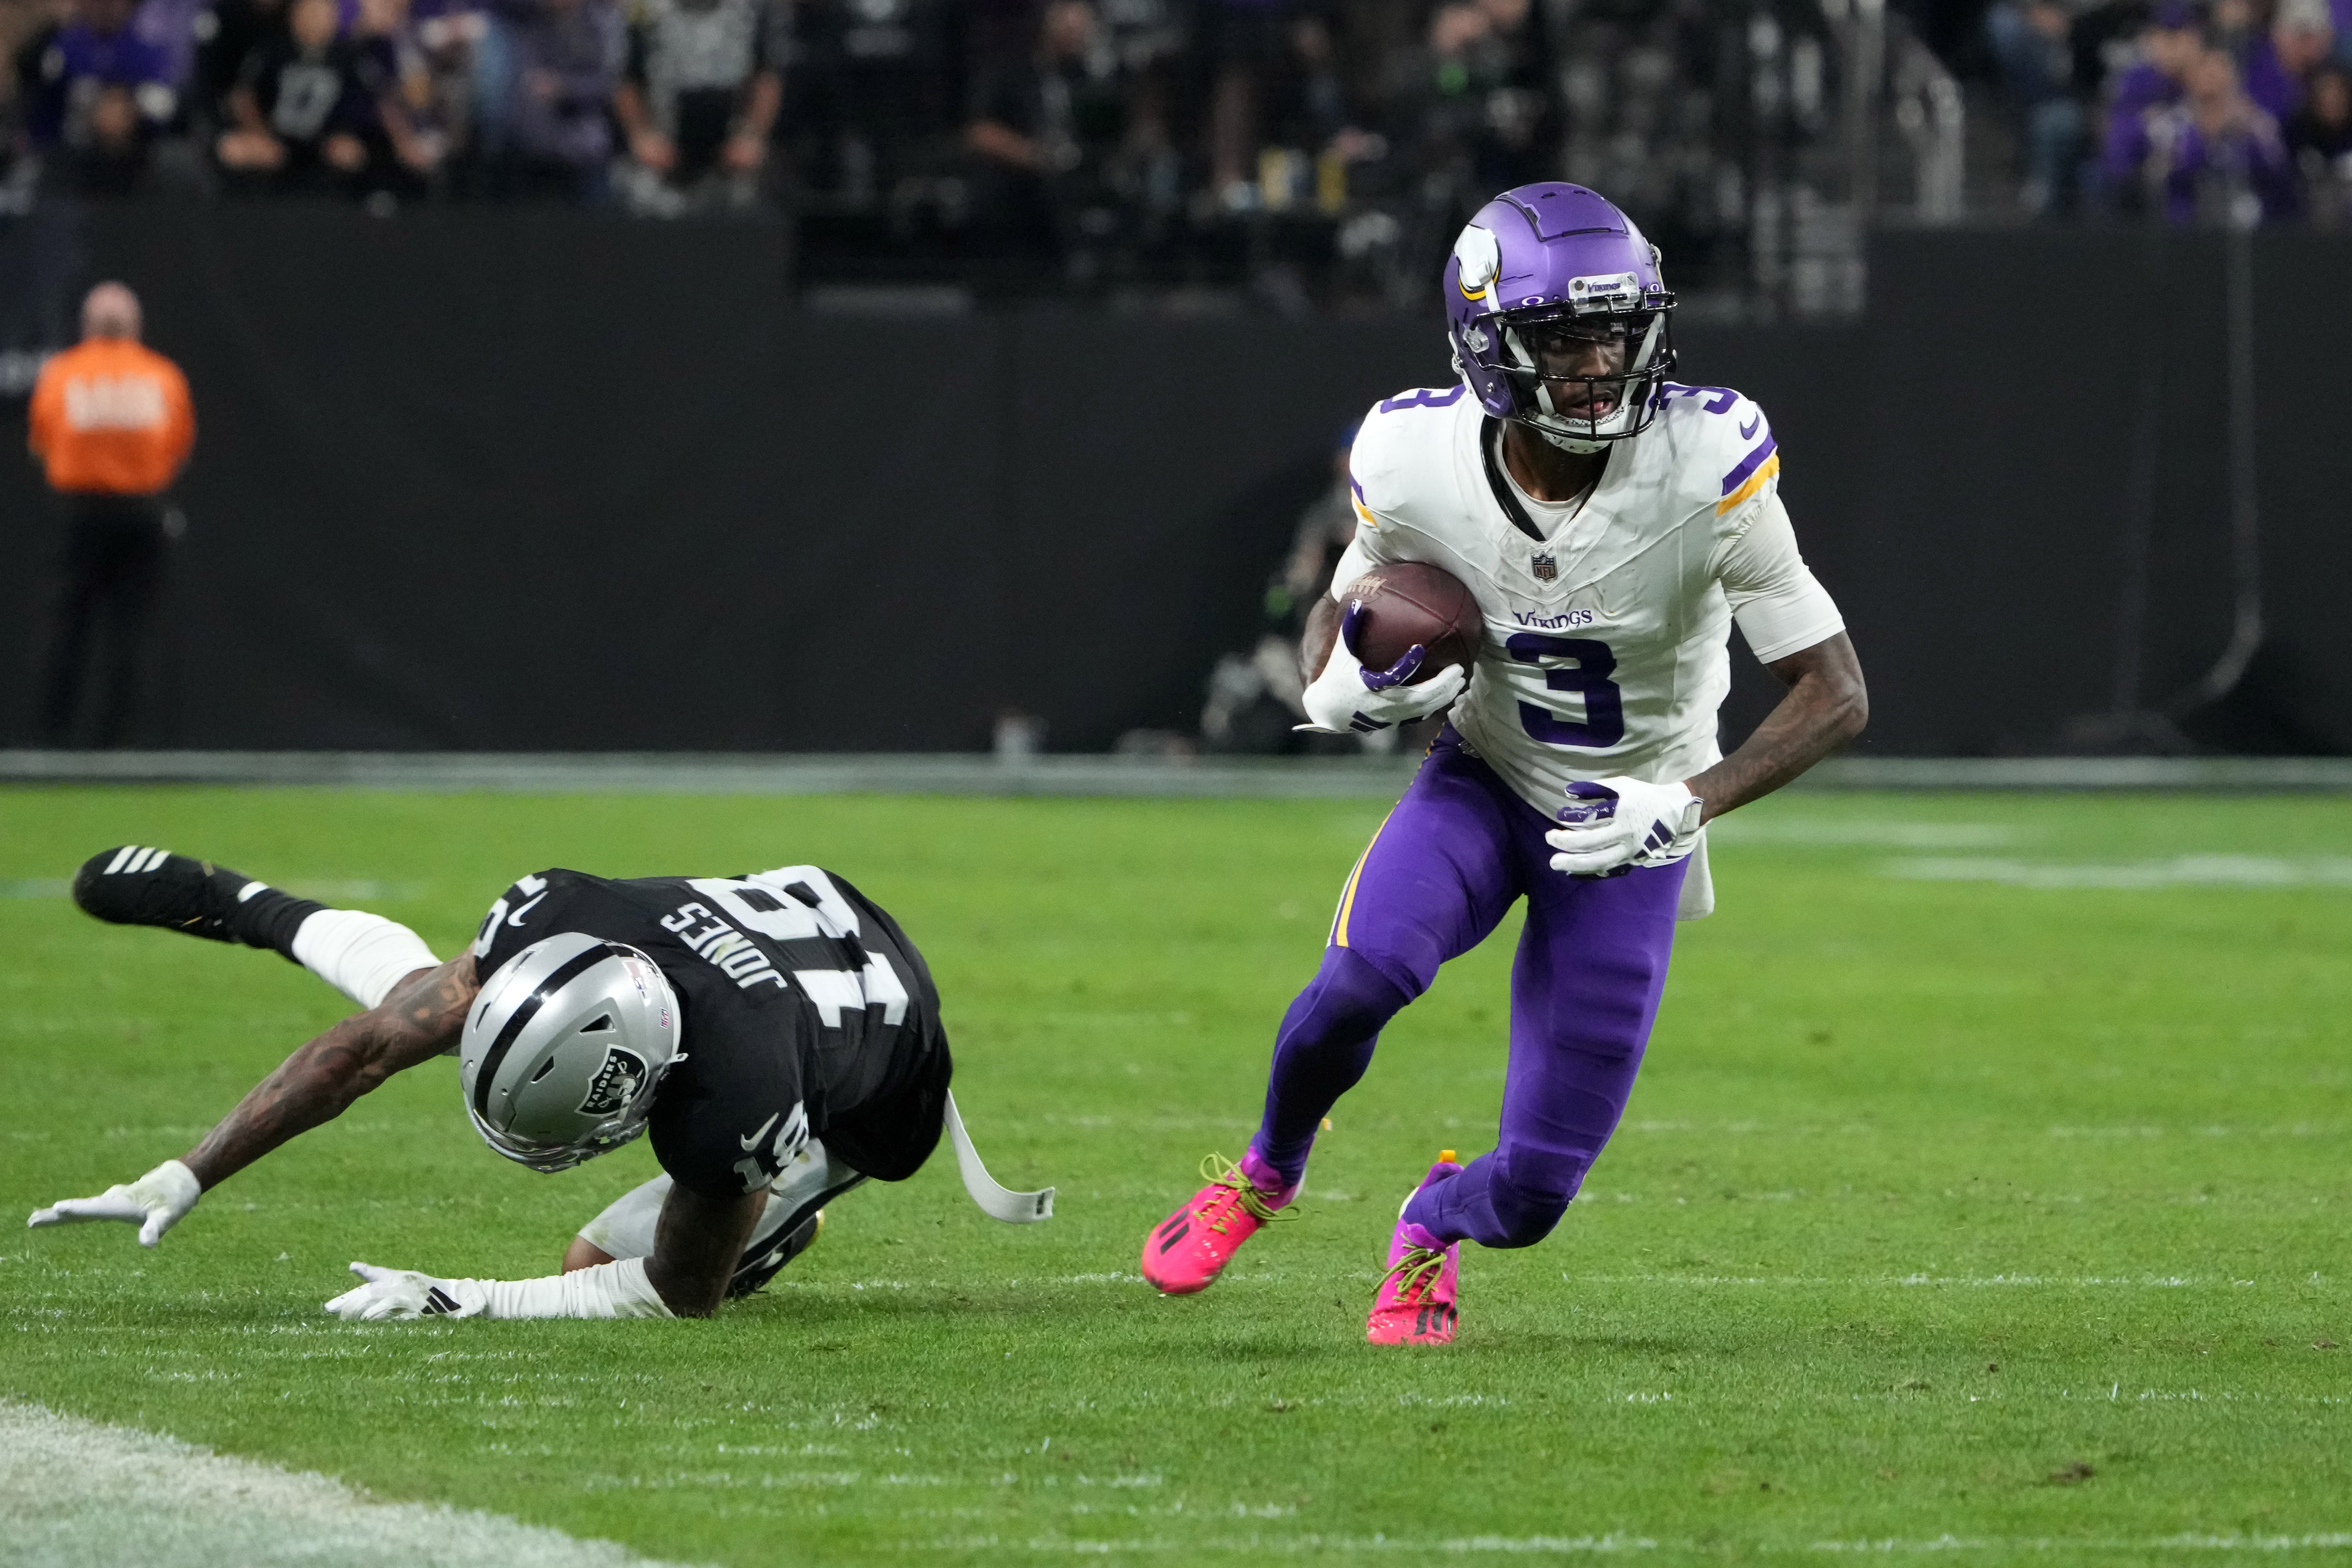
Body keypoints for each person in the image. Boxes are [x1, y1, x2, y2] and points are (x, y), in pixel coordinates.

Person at [1137, 182, 1867, 1345]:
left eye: (1616, 333)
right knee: (1354, 984)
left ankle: (1429, 1219)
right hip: (1483, 775)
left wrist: (1683, 803)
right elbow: (1343, 607)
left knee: (1530, 1197)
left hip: (1627, 822)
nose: (1598, 366)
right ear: (1487, 348)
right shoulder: (1410, 451)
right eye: (1563, 339)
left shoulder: (1705, 456)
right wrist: (1343, 684)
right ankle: (1264, 1171)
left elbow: (1834, 692)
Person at [27, 843, 1049, 1321]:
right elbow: (372, 1045)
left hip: (881, 1072)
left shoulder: (742, 1088)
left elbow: (674, 1297)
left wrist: (458, 1296)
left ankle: (804, 1189)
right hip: (789, 924)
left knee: (589, 1261)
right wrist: (187, 1172)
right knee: (423, 1002)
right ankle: (246, 903)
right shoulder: (555, 917)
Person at [26, 282, 194, 748]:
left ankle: (52, 735)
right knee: (133, 627)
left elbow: (42, 440)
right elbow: (179, 448)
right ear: (136, 328)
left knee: (68, 625)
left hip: (79, 511)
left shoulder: (63, 373)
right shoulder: (161, 376)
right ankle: (120, 740)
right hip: (142, 510)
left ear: (86, 327)